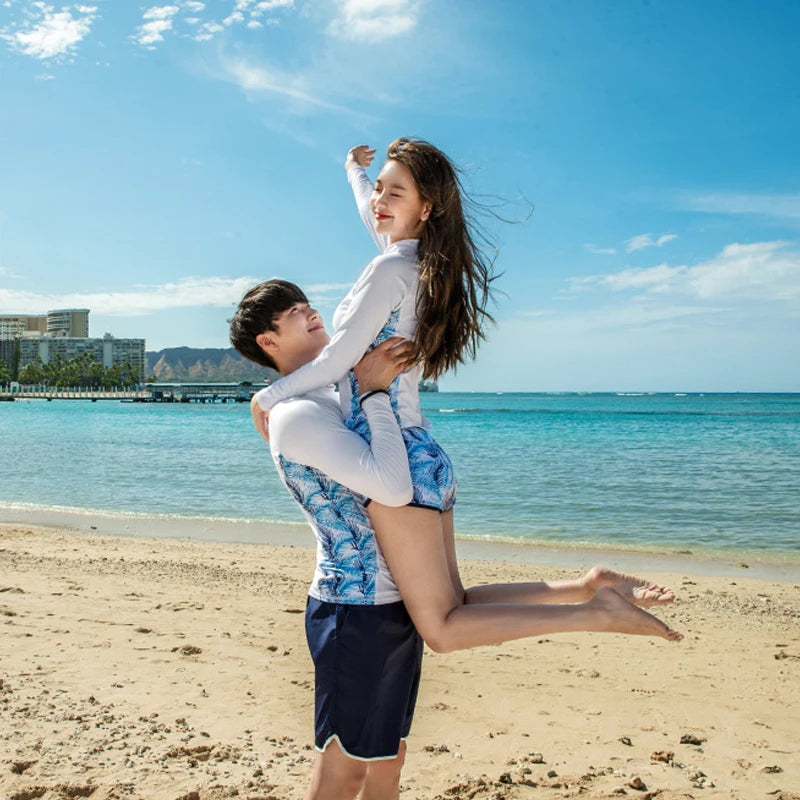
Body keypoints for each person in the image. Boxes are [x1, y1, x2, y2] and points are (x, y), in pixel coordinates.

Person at [230, 279, 682, 800]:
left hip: (391, 598)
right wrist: (374, 393)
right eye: (292, 312)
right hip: (355, 610)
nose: (310, 311)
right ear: (268, 342)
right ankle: (592, 603)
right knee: (345, 768)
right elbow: (394, 486)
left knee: (387, 763)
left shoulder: (324, 397)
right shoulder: (298, 416)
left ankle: (587, 589)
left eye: (307, 303)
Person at [246, 140, 680, 656]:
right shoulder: (426, 266)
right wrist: (353, 174)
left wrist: (267, 397)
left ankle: (594, 612)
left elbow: (339, 363)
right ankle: (588, 586)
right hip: (427, 454)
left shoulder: (388, 271)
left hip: (394, 454)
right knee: (458, 601)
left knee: (443, 629)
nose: (380, 201)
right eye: (380, 189)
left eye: (396, 193)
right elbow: (375, 212)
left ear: (426, 208)